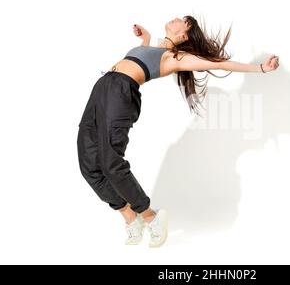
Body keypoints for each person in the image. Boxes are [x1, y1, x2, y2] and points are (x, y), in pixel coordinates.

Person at [76, 15, 279, 247]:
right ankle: (131, 218)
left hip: (120, 93)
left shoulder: (176, 58)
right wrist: (147, 38)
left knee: (111, 162)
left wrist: (261, 68)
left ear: (184, 34)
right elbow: (140, 59)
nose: (177, 18)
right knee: (89, 165)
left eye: (184, 21)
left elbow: (218, 63)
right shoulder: (158, 48)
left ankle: (151, 217)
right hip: (103, 88)